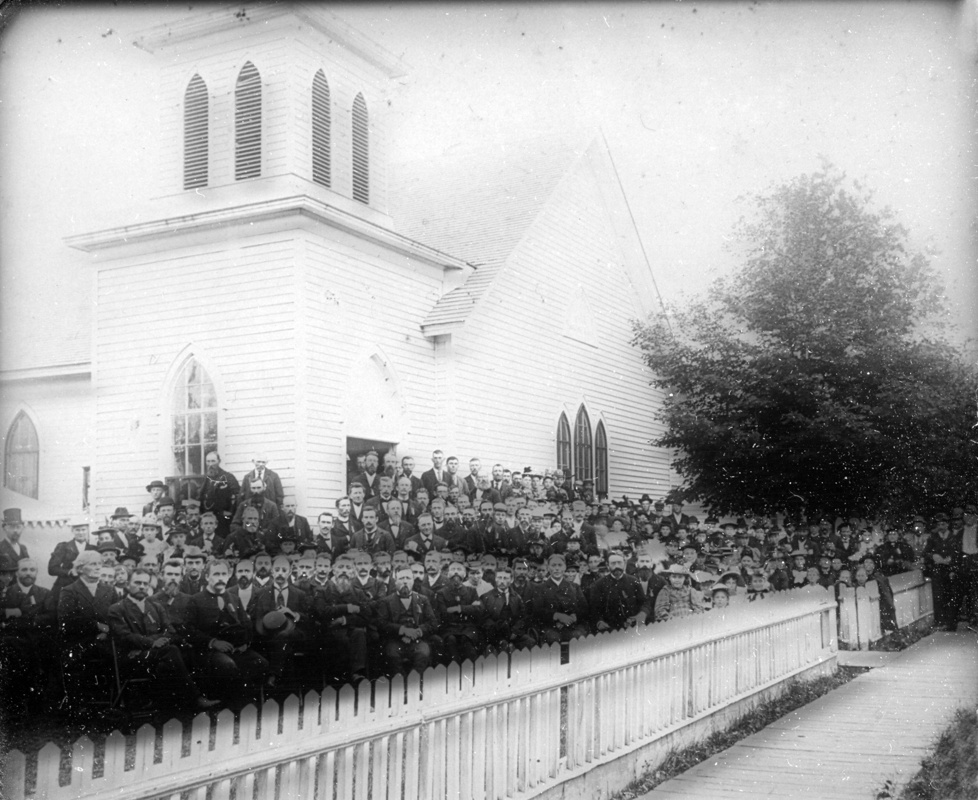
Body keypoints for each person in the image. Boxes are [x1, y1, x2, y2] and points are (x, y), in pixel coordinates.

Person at [108, 569, 219, 710]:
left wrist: (158, 641)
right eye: (137, 582)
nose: (142, 586)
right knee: (171, 651)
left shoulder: (155, 606)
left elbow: (170, 631)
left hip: (156, 655)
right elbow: (125, 636)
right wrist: (152, 642)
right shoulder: (117, 609)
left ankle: (171, 705)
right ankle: (195, 698)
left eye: (145, 583)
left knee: (181, 655)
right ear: (128, 585)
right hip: (133, 657)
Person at [184, 560, 270, 705]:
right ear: (207, 577)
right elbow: (189, 631)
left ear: (229, 576)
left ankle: (247, 701)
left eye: (224, 574)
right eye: (216, 574)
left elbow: (247, 625)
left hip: (235, 648)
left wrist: (244, 644)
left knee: (261, 663)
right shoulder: (195, 600)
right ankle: (229, 704)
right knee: (227, 665)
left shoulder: (234, 599)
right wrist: (213, 642)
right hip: (208, 651)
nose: (220, 578)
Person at [375, 566, 438, 675]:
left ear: (413, 581)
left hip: (417, 640)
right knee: (392, 655)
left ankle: (415, 684)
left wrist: (415, 633)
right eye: (401, 578)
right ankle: (399, 686)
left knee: (423, 653)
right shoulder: (385, 601)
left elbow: (432, 623)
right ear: (395, 581)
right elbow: (381, 624)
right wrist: (402, 630)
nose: (405, 581)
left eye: (408, 578)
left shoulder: (423, 599)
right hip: (395, 640)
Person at [533, 554, 589, 644]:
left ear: (565, 567)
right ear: (548, 568)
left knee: (578, 637)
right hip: (551, 627)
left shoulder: (574, 587)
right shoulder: (540, 588)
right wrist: (557, 616)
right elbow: (537, 611)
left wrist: (573, 617)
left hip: (572, 626)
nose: (557, 568)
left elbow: (584, 608)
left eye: (560, 565)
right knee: (553, 638)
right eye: (553, 565)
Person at [588, 552, 648, 631]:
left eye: (619, 563)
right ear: (607, 565)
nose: (616, 566)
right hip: (609, 628)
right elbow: (594, 609)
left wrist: (642, 614)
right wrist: (599, 622)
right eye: (613, 563)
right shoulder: (598, 585)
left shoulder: (634, 581)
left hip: (633, 625)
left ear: (625, 563)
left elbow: (645, 603)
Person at [198, 452, 240, 539]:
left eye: (213, 461)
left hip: (223, 520)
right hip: (208, 519)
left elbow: (238, 496)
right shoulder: (205, 479)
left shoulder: (228, 477)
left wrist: (230, 512)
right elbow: (200, 497)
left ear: (219, 461)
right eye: (208, 461)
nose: (210, 464)